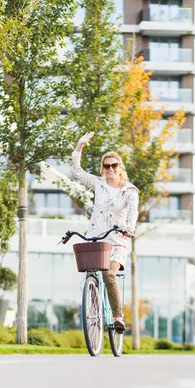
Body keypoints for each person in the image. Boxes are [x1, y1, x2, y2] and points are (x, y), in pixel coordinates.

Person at [69, 131, 139, 334]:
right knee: (91, 273)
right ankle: (95, 308)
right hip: (96, 237)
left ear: (120, 167)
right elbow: (76, 171)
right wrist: (80, 145)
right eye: (107, 165)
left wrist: (130, 228)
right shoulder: (98, 184)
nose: (110, 169)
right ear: (103, 168)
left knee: (109, 273)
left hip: (118, 239)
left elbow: (133, 211)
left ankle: (117, 317)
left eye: (114, 165)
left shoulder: (129, 190)